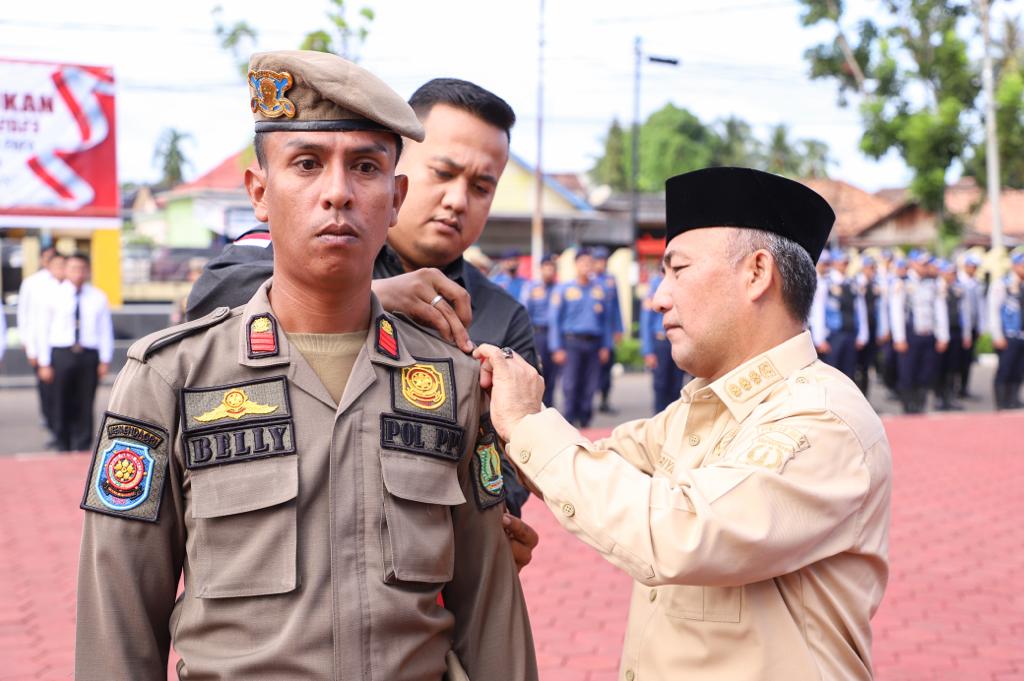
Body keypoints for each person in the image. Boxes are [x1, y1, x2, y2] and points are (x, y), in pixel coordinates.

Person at [75, 50, 537, 681]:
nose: (338, 191)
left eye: (366, 167)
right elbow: (118, 615)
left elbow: (491, 614)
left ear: (395, 197)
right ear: (259, 193)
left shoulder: (451, 381)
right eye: (307, 163)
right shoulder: (169, 379)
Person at [475, 166, 892, 681]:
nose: (659, 297)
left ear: (757, 274)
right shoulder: (704, 406)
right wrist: (503, 414)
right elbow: (593, 465)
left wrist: (526, 423)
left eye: (678, 270)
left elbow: (681, 532)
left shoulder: (822, 418)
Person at [185, 76, 537, 523]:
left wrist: (486, 526)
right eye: (443, 173)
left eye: (481, 187)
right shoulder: (308, 244)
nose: (457, 200)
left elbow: (510, 463)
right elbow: (213, 296)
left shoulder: (503, 317)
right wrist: (371, 296)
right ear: (397, 170)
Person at [35, 253, 113, 452]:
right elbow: (43, 330)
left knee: (86, 400)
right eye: (73, 268)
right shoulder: (52, 295)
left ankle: (83, 444)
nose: (78, 273)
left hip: (88, 353)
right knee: (60, 399)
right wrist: (44, 362)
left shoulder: (97, 297)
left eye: (81, 269)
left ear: (88, 271)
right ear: (65, 270)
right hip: (61, 353)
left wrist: (105, 359)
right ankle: (62, 442)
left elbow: (105, 329)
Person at [548, 249, 612, 427]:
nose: (586, 266)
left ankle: (585, 419)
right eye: (583, 262)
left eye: (589, 263)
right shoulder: (564, 289)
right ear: (576, 265)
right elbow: (555, 320)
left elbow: (606, 321)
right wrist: (556, 347)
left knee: (590, 384)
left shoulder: (600, 290)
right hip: (572, 342)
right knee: (570, 383)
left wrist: (606, 346)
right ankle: (570, 418)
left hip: (594, 343)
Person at [889, 250, 949, 414]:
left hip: (928, 334)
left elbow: (939, 310)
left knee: (926, 373)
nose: (926, 267)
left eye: (927, 264)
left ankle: (920, 405)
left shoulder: (933, 283)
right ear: (913, 264)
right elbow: (897, 312)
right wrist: (899, 338)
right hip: (910, 335)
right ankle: (909, 407)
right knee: (908, 373)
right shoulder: (902, 283)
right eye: (922, 264)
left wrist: (943, 335)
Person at [17, 248, 66, 444]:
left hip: (61, 345)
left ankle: (62, 429)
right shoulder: (32, 283)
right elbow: (25, 314)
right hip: (39, 342)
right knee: (46, 389)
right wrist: (28, 344)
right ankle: (51, 424)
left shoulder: (68, 285)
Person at [810, 249, 868, 381]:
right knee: (831, 376)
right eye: (842, 262)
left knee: (849, 375)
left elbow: (860, 310)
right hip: (833, 335)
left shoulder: (852, 283)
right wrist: (819, 338)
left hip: (850, 334)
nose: (845, 265)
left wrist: (862, 334)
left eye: (846, 262)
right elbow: (819, 311)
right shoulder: (825, 282)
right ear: (835, 263)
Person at [640, 272, 687, 413]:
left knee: (677, 384)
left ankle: (673, 418)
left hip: (679, 339)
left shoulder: (683, 280)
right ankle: (659, 416)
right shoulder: (656, 284)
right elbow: (646, 320)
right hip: (662, 342)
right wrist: (648, 350)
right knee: (661, 384)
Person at [518, 253, 560, 406]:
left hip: (555, 335)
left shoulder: (560, 288)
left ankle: (549, 404)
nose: (549, 270)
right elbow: (524, 313)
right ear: (541, 269)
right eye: (546, 267)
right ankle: (537, 404)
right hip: (538, 334)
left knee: (553, 374)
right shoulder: (531, 288)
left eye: (552, 267)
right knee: (537, 371)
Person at [933, 260, 972, 410]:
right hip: (939, 334)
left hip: (956, 331)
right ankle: (938, 397)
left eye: (953, 273)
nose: (951, 276)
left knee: (953, 367)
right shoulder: (935, 287)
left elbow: (965, 311)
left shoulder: (958, 288)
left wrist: (966, 334)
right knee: (939, 367)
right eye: (948, 273)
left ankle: (950, 397)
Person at [989, 251, 1024, 409]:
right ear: (1015, 266)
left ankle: (1013, 399)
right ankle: (1001, 402)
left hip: (1021, 335)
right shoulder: (1002, 284)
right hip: (1007, 334)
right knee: (1005, 368)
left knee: (1019, 369)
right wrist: (997, 335)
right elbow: (994, 311)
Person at [592, 246, 623, 413]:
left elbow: (616, 307)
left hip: (608, 331)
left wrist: (619, 329)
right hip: (593, 332)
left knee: (607, 367)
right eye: (598, 260)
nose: (601, 264)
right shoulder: (589, 280)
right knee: (591, 368)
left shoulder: (611, 280)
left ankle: (604, 400)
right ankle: (587, 400)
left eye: (604, 260)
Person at [854, 254, 885, 396]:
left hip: (872, 328)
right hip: (858, 330)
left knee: (867, 365)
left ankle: (865, 396)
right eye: (870, 268)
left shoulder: (875, 284)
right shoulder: (856, 283)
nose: (872, 271)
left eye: (874, 268)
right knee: (855, 366)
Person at [958, 253, 985, 398]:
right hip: (961, 328)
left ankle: (964, 388)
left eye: (975, 266)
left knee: (968, 360)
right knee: (957, 360)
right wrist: (966, 332)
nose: (973, 269)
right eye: (971, 266)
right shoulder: (959, 281)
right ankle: (953, 389)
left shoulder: (977, 283)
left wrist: (981, 326)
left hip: (973, 326)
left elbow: (981, 307)